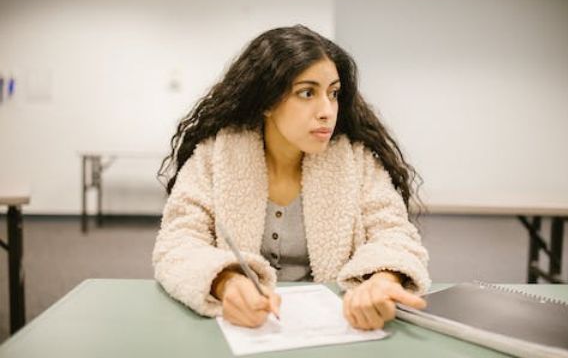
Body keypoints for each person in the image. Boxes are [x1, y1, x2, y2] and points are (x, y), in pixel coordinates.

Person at [152, 24, 430, 331]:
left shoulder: (355, 160)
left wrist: (383, 279)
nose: (327, 111)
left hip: (337, 327)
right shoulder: (215, 155)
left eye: (333, 93)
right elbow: (177, 243)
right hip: (244, 330)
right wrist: (225, 282)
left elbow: (395, 233)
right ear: (267, 101)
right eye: (307, 93)